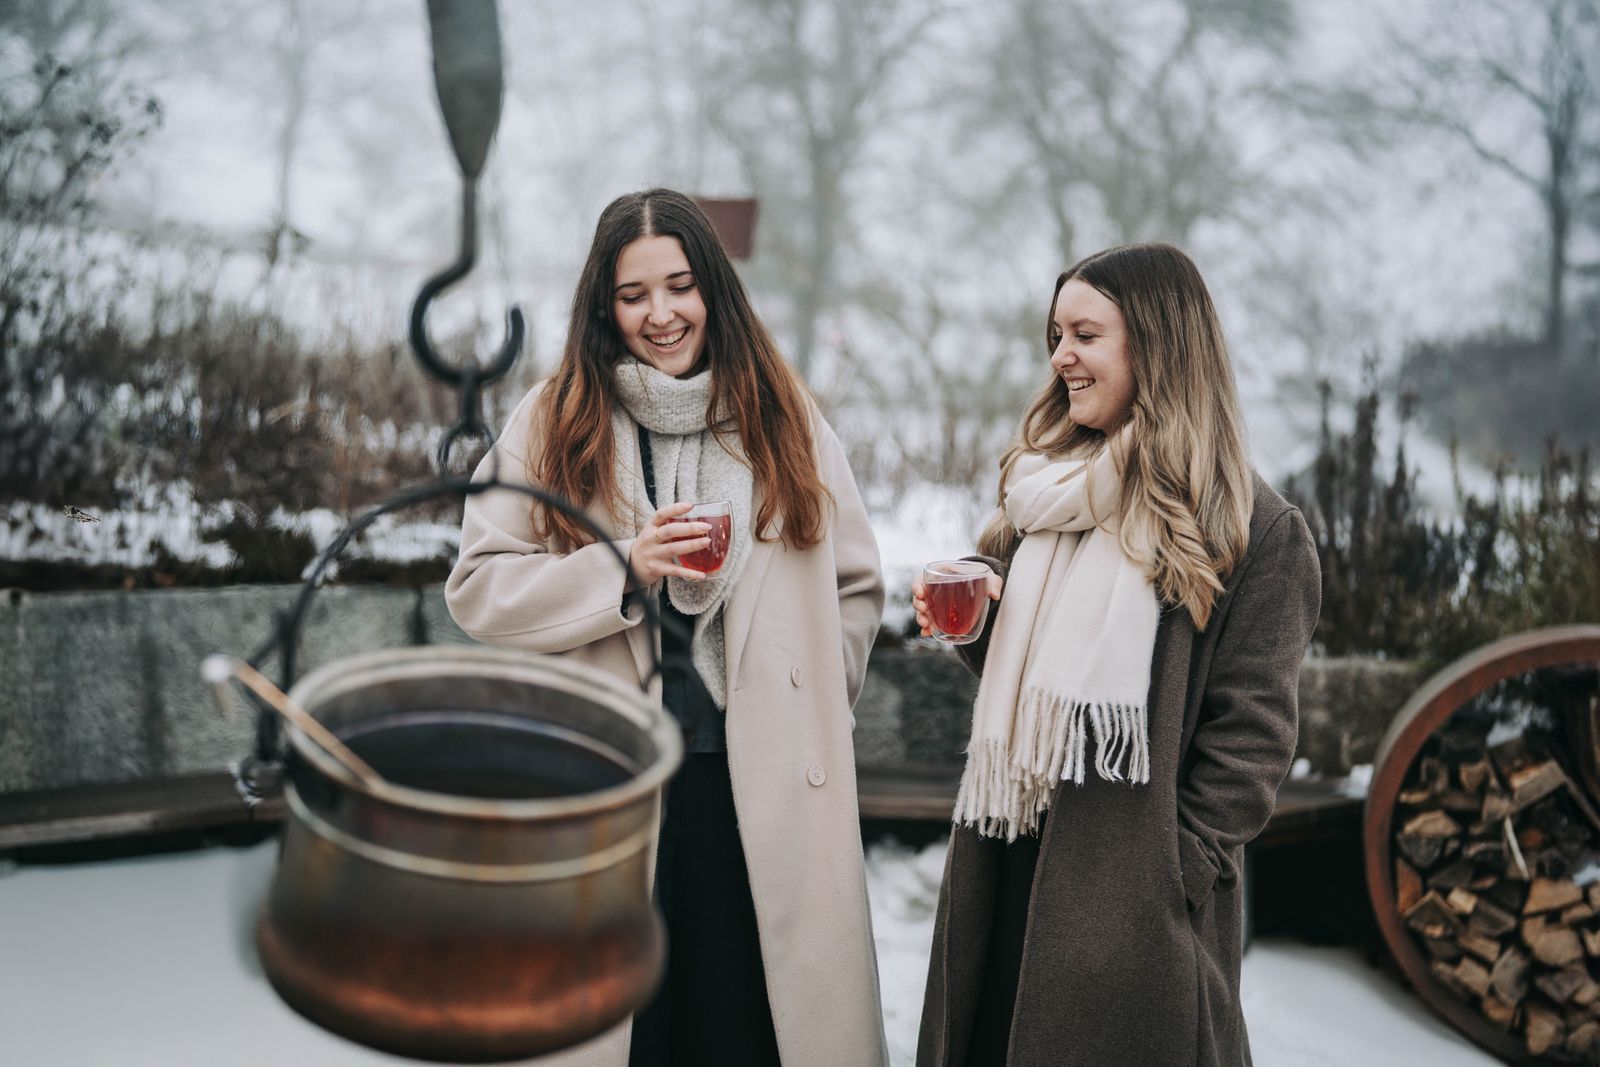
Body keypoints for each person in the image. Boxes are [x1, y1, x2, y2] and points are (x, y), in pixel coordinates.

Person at [445, 188, 888, 1067]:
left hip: (761, 790)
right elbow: (479, 585)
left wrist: (806, 701)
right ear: (603, 306)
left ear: (712, 288)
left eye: (680, 286)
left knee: (752, 1030)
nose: (661, 313)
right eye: (633, 294)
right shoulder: (556, 416)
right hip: (613, 783)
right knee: (632, 1036)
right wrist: (623, 566)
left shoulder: (783, 413)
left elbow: (857, 584)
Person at [913, 243, 1321, 1067]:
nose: (1060, 357)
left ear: (1159, 345)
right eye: (1055, 336)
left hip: (1131, 907)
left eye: (1085, 335)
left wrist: (1173, 873)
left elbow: (1252, 739)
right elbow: (1036, 685)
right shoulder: (1043, 492)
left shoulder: (1254, 529)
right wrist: (982, 622)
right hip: (1009, 855)